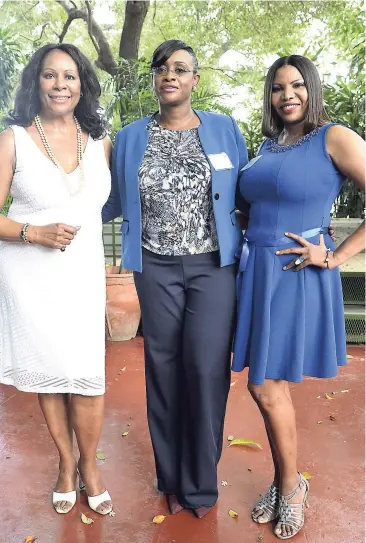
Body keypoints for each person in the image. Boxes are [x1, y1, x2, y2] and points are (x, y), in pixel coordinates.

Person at [102, 39, 248, 518]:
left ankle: (201, 483)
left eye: (181, 69)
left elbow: (246, 193)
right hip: (155, 266)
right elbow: (109, 200)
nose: (171, 75)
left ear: (194, 79)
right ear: (155, 79)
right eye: (162, 68)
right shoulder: (129, 138)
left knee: (206, 369)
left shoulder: (225, 130)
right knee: (162, 369)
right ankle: (171, 475)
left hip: (212, 267)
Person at [233, 55, 365, 539]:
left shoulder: (334, 136)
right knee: (263, 385)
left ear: (311, 88)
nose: (287, 94)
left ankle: (291, 486)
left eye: (296, 85)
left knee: (266, 385)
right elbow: (257, 204)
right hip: (256, 272)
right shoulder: (270, 144)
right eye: (277, 87)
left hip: (294, 269)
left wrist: (332, 255)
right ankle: (286, 479)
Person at [0, 43, 113, 515]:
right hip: (31, 273)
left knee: (87, 376)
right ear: (35, 82)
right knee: (51, 374)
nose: (60, 84)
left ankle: (91, 466)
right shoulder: (12, 140)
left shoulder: (100, 141)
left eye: (70, 76)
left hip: (81, 276)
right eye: (50, 75)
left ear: (83, 84)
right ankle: (65, 463)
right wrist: (32, 232)